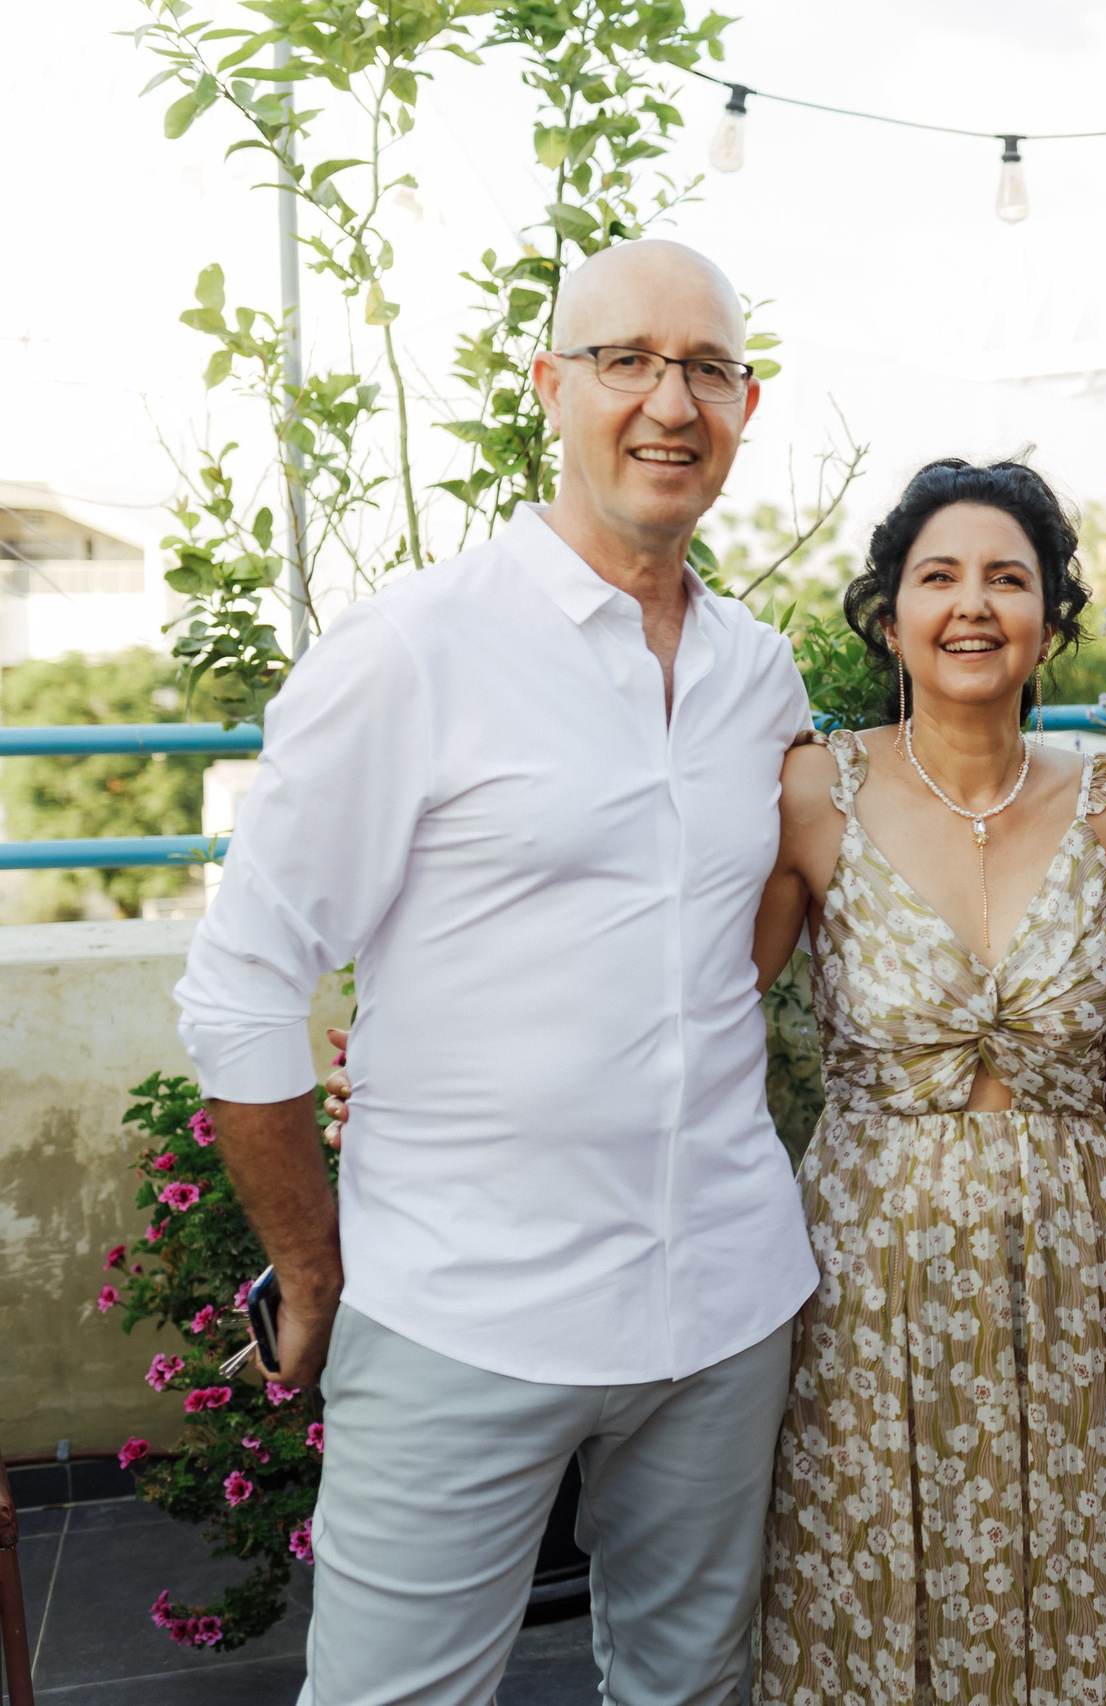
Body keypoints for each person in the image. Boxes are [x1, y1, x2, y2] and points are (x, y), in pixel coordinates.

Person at [173, 240, 814, 1704]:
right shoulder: (413, 651)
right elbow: (244, 984)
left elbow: (753, 926)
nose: (671, 401)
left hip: (721, 1304)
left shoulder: (759, 673)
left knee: (690, 1688)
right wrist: (312, 1266)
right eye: (626, 361)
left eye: (707, 368)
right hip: (462, 1312)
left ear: (746, 405)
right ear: (551, 390)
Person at [739, 458, 1106, 1706]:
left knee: (1083, 1585)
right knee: (867, 1580)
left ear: (1051, 617)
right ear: (890, 611)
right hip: (867, 1272)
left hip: (1080, 1265)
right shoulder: (813, 791)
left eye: (1007, 579)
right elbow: (697, 1007)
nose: (973, 605)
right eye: (939, 577)